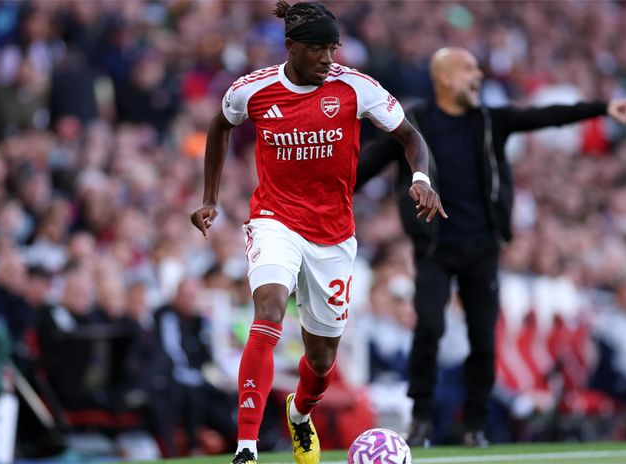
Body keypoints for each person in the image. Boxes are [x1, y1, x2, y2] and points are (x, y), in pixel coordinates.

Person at [189, 2, 446, 463]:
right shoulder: (252, 90)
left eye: (332, 48)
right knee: (269, 308)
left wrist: (421, 179)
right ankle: (246, 447)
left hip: (333, 234)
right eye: (318, 49)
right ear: (291, 47)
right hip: (275, 219)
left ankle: (300, 412)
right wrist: (210, 197)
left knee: (323, 360)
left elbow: (410, 136)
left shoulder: (356, 88)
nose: (328, 58)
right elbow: (219, 125)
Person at [355, 47, 626, 447]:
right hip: (435, 248)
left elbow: (545, 116)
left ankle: (475, 424)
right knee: (429, 329)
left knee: (483, 339)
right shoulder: (414, 123)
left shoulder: (490, 121)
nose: (478, 75)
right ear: (445, 78)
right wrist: (320, 196)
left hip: (482, 249)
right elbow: (366, 166)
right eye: (469, 69)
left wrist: (602, 108)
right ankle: (420, 418)